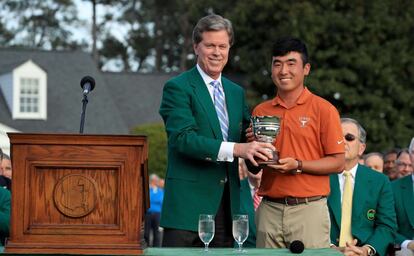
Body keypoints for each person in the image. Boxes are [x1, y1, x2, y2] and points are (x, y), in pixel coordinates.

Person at [158, 14, 274, 247]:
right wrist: (240, 148)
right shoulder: (177, 87)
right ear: (195, 47)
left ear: (229, 48)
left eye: (223, 46)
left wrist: (259, 149)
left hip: (227, 208)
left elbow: (245, 141)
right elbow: (183, 139)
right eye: (210, 45)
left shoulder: (235, 92)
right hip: (187, 211)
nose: (216, 52)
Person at [249, 37, 345, 249]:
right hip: (269, 210)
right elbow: (254, 164)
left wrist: (298, 165)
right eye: (277, 63)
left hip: (308, 209)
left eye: (291, 63)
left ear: (306, 69)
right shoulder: (260, 111)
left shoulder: (324, 109)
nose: (283, 70)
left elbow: (339, 162)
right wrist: (251, 149)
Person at [328, 118, 397, 256]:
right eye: (337, 137)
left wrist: (366, 250)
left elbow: (386, 226)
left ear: (361, 148)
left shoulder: (380, 181)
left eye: (349, 138)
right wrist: (330, 248)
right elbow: (310, 221)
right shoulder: (319, 176)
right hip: (325, 251)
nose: (343, 142)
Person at [392, 138, 414, 256]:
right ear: (410, 156)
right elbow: (387, 227)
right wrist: (408, 244)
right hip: (407, 248)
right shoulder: (393, 189)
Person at [144, 174, 164, 247]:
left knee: (157, 233)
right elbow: (147, 199)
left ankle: (156, 249)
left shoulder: (160, 191)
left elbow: (161, 200)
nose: (158, 182)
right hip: (148, 214)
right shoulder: (147, 189)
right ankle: (146, 247)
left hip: (157, 214)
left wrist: (153, 198)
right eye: (156, 181)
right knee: (146, 233)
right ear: (153, 181)